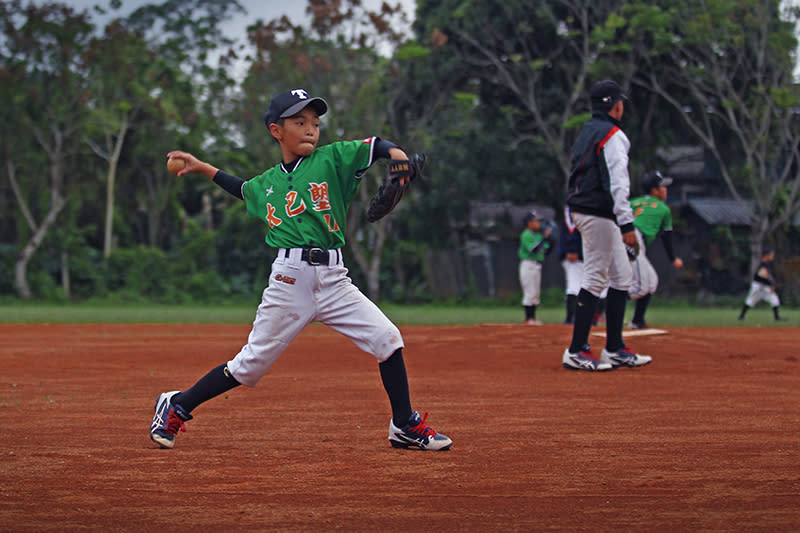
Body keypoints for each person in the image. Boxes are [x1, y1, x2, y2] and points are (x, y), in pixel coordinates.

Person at [148, 88, 452, 451]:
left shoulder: (332, 159)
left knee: (387, 339)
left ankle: (403, 425)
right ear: (277, 131)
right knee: (250, 366)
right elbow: (244, 189)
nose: (310, 129)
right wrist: (203, 167)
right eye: (299, 122)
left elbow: (375, 147)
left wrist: (398, 156)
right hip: (289, 281)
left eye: (315, 122)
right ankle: (177, 404)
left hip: (336, 280)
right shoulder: (268, 183)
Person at [561, 79, 652, 371]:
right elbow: (618, 182)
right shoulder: (613, 134)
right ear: (616, 105)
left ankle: (614, 348)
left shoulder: (587, 130)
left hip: (591, 210)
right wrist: (627, 224)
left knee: (621, 277)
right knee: (596, 278)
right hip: (597, 212)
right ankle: (576, 350)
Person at [627, 170, 684, 329]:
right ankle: (601, 304)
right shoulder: (663, 209)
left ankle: (638, 321)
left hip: (625, 237)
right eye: (662, 187)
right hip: (634, 239)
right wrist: (673, 259)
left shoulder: (633, 202)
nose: (665, 189)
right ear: (654, 190)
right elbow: (666, 236)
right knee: (640, 287)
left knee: (651, 282)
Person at [518, 210, 553, 325]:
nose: (539, 224)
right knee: (529, 291)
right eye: (536, 221)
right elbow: (533, 249)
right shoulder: (526, 234)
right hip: (528, 264)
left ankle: (532, 318)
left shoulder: (538, 235)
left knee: (535, 293)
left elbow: (546, 250)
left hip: (537, 264)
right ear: (529, 223)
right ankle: (528, 318)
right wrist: (544, 238)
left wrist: (549, 239)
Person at [738, 248, 786, 322]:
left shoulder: (766, 264)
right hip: (758, 286)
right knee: (751, 300)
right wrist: (771, 285)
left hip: (764, 286)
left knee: (774, 299)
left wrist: (771, 284)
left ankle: (777, 318)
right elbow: (762, 276)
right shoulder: (763, 264)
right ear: (766, 255)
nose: (772, 256)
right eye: (771, 255)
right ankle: (741, 317)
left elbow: (766, 277)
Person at [557, 208, 583, 324]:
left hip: (573, 255)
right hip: (577, 257)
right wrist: (575, 251)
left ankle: (571, 317)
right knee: (576, 287)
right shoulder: (578, 209)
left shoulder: (569, 210)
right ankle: (572, 318)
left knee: (576, 286)